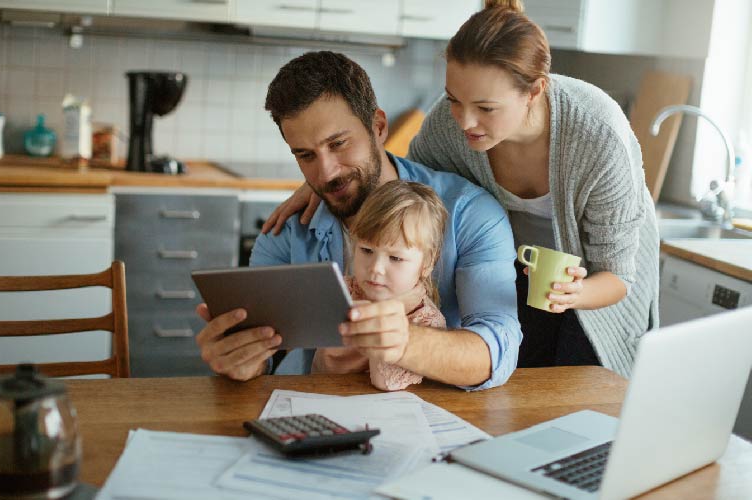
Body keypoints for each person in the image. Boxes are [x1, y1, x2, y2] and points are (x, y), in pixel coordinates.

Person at [262, 1, 660, 378]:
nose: (465, 121)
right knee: (519, 384)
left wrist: (573, 293)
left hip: (596, 279)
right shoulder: (446, 127)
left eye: (485, 108)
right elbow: (408, 186)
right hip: (521, 270)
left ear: (535, 92)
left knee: (586, 392)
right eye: (454, 100)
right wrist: (326, 183)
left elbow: (619, 276)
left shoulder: (597, 134)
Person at [196, 50, 522, 390]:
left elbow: (498, 349)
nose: (325, 173)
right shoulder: (287, 230)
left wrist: (403, 343)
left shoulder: (468, 214)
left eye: (338, 144)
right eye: (305, 155)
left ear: (378, 127)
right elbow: (265, 355)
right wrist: (241, 359)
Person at [312, 180, 448, 391]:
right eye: (366, 250)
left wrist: (381, 314)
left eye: (395, 258)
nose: (376, 268)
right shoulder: (345, 291)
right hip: (324, 398)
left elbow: (385, 382)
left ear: (427, 263)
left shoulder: (425, 321)